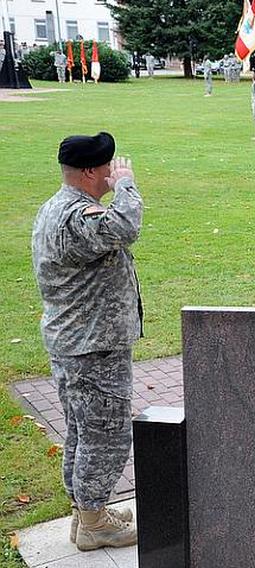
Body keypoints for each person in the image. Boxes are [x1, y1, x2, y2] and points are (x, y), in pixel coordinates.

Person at [32, 132, 141, 552]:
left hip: (77, 342)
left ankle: (87, 514)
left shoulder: (57, 207)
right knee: (106, 436)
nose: (113, 171)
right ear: (92, 172)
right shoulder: (78, 217)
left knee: (81, 432)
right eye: (109, 167)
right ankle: (95, 523)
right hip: (93, 347)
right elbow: (125, 225)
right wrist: (127, 184)